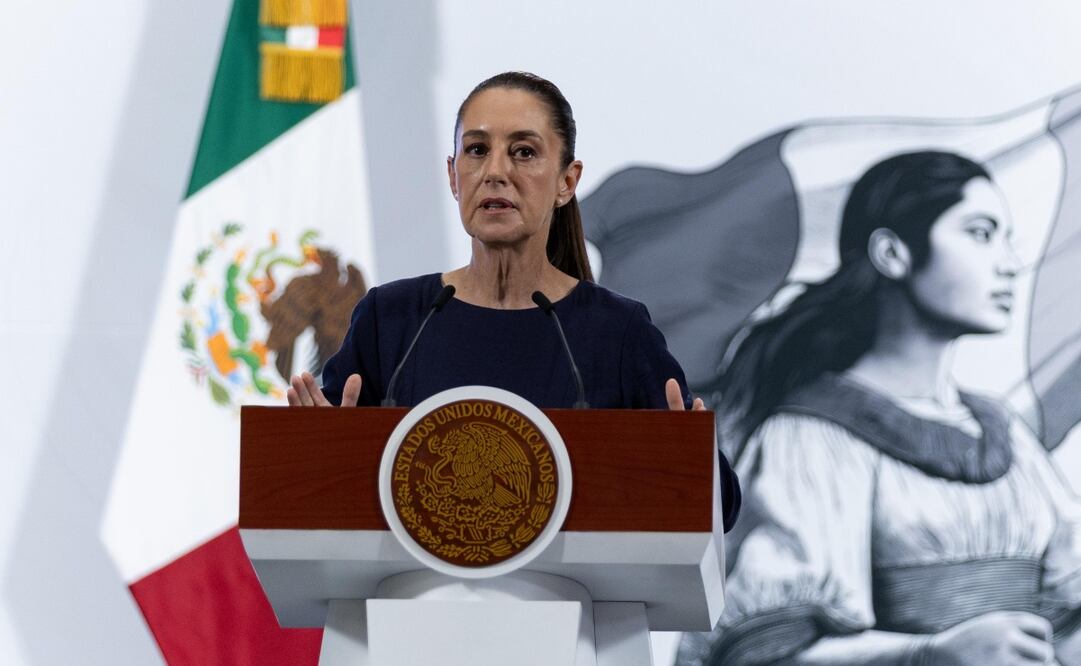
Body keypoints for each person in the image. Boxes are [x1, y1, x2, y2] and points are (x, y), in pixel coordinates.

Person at [285, 71, 739, 528]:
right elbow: (303, 491)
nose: (496, 172)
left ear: (567, 181)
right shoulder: (393, 318)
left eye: (523, 152)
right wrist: (318, 458)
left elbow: (722, 504)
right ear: (452, 175)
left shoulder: (615, 331)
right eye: (477, 150)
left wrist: (685, 464)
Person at [678, 151, 1081, 665]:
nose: (1009, 262)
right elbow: (764, 649)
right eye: (981, 234)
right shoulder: (811, 437)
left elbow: (1068, 617)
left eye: (1006, 238)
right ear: (893, 253)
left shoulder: (1004, 434)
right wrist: (928, 654)